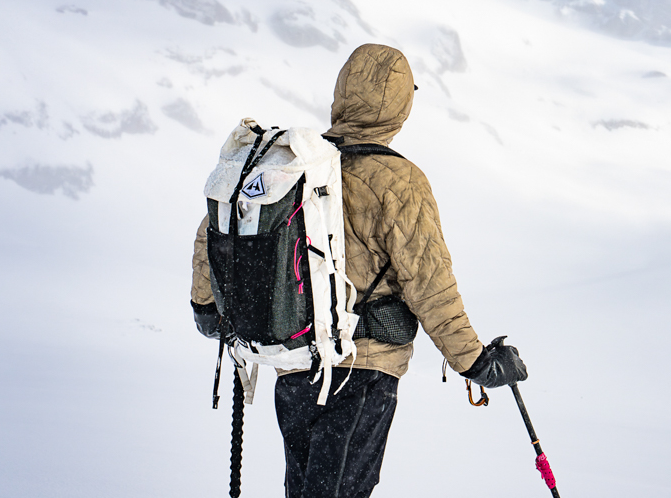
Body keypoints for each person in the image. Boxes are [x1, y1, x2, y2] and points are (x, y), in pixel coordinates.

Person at [190, 43, 527, 498]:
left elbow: (212, 233)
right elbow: (431, 287)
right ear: (400, 105)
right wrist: (475, 361)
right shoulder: (398, 180)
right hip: (362, 371)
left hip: (294, 363)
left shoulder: (294, 167)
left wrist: (208, 309)